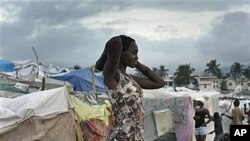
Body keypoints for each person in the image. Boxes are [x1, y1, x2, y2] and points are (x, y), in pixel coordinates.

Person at [95, 35, 165, 141]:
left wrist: (137, 63)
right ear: (121, 53)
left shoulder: (130, 79)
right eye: (134, 52)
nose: (137, 56)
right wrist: (100, 63)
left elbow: (160, 83)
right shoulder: (113, 75)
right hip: (121, 137)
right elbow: (116, 41)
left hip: (136, 136)